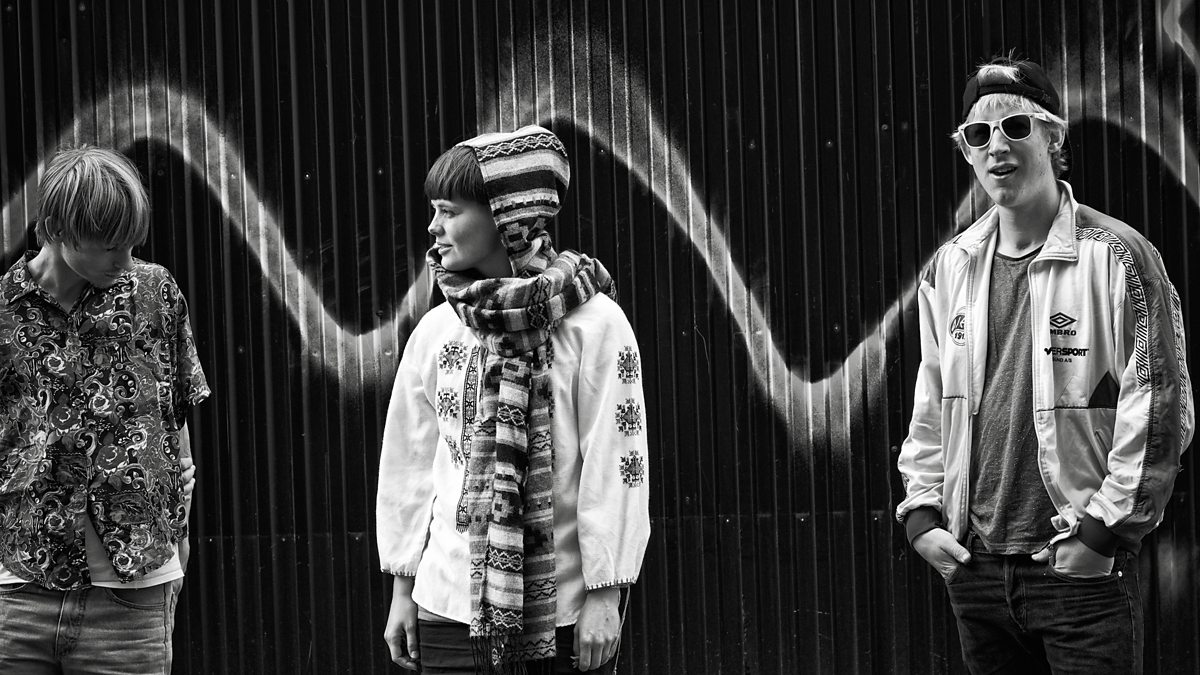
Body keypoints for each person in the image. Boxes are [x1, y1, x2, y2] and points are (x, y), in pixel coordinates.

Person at [895, 56, 1193, 673]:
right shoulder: (949, 268)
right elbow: (932, 400)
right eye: (979, 134)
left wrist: (1102, 534)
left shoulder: (1117, 256)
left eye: (1015, 127)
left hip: (1077, 574)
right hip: (976, 570)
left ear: (1053, 138)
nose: (996, 145)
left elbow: (1160, 406)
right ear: (966, 151)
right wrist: (923, 515)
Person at [377, 126, 651, 674]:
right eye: (434, 211)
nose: (433, 227)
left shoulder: (595, 326)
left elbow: (618, 463)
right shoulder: (438, 331)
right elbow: (410, 464)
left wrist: (606, 594)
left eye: (449, 211)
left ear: (507, 219)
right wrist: (403, 588)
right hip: (446, 603)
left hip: (563, 612)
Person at [0, 146, 209, 673]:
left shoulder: (155, 293)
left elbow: (176, 417)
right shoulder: (3, 311)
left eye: (131, 244)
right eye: (111, 246)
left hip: (133, 596)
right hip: (17, 591)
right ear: (55, 228)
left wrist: (179, 539)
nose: (125, 260)